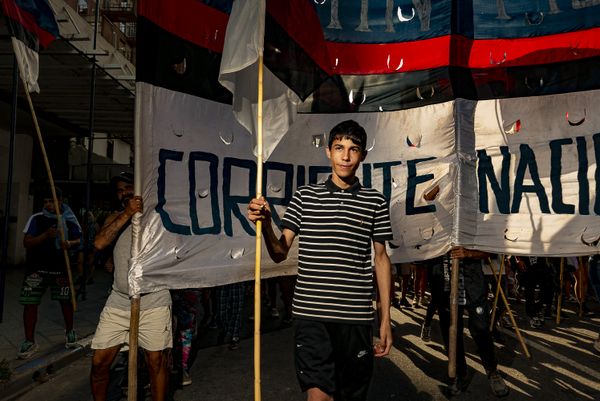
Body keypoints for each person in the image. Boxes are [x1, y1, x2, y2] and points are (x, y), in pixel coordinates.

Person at [247, 120, 393, 401]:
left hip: (356, 318)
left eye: (353, 149)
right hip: (311, 317)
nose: (346, 156)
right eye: (339, 147)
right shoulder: (304, 197)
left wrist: (385, 320)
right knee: (319, 398)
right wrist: (265, 224)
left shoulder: (375, 201)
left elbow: (381, 258)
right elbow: (279, 253)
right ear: (328, 151)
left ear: (363, 155)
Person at [90, 172, 172, 401]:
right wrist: (127, 213)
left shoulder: (157, 218)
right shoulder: (115, 218)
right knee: (99, 362)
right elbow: (99, 243)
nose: (125, 193)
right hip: (119, 300)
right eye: (120, 190)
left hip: (154, 298)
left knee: (156, 362)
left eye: (129, 187)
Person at [434, 247, 509, 397]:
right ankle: (459, 374)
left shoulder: (473, 224)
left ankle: (492, 371)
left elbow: (489, 251)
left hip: (473, 282)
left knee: (481, 329)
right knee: (451, 332)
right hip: (444, 281)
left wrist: (469, 253)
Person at [17, 187, 82, 359]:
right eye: (45, 201)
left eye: (51, 201)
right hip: (36, 269)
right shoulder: (36, 219)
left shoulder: (69, 219)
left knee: (66, 302)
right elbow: (27, 242)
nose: (48, 204)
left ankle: (70, 331)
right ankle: (29, 341)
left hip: (61, 268)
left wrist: (69, 242)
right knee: (30, 303)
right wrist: (46, 235)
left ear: (60, 201)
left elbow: (79, 240)